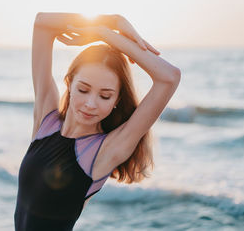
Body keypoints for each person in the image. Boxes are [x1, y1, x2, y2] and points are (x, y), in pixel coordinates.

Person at [14, 12, 181, 231]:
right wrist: (111, 21)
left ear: (116, 100)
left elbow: (169, 77)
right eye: (83, 90)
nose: (91, 104)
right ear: (69, 83)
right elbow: (42, 23)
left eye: (105, 96)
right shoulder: (47, 121)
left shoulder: (104, 150)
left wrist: (105, 35)